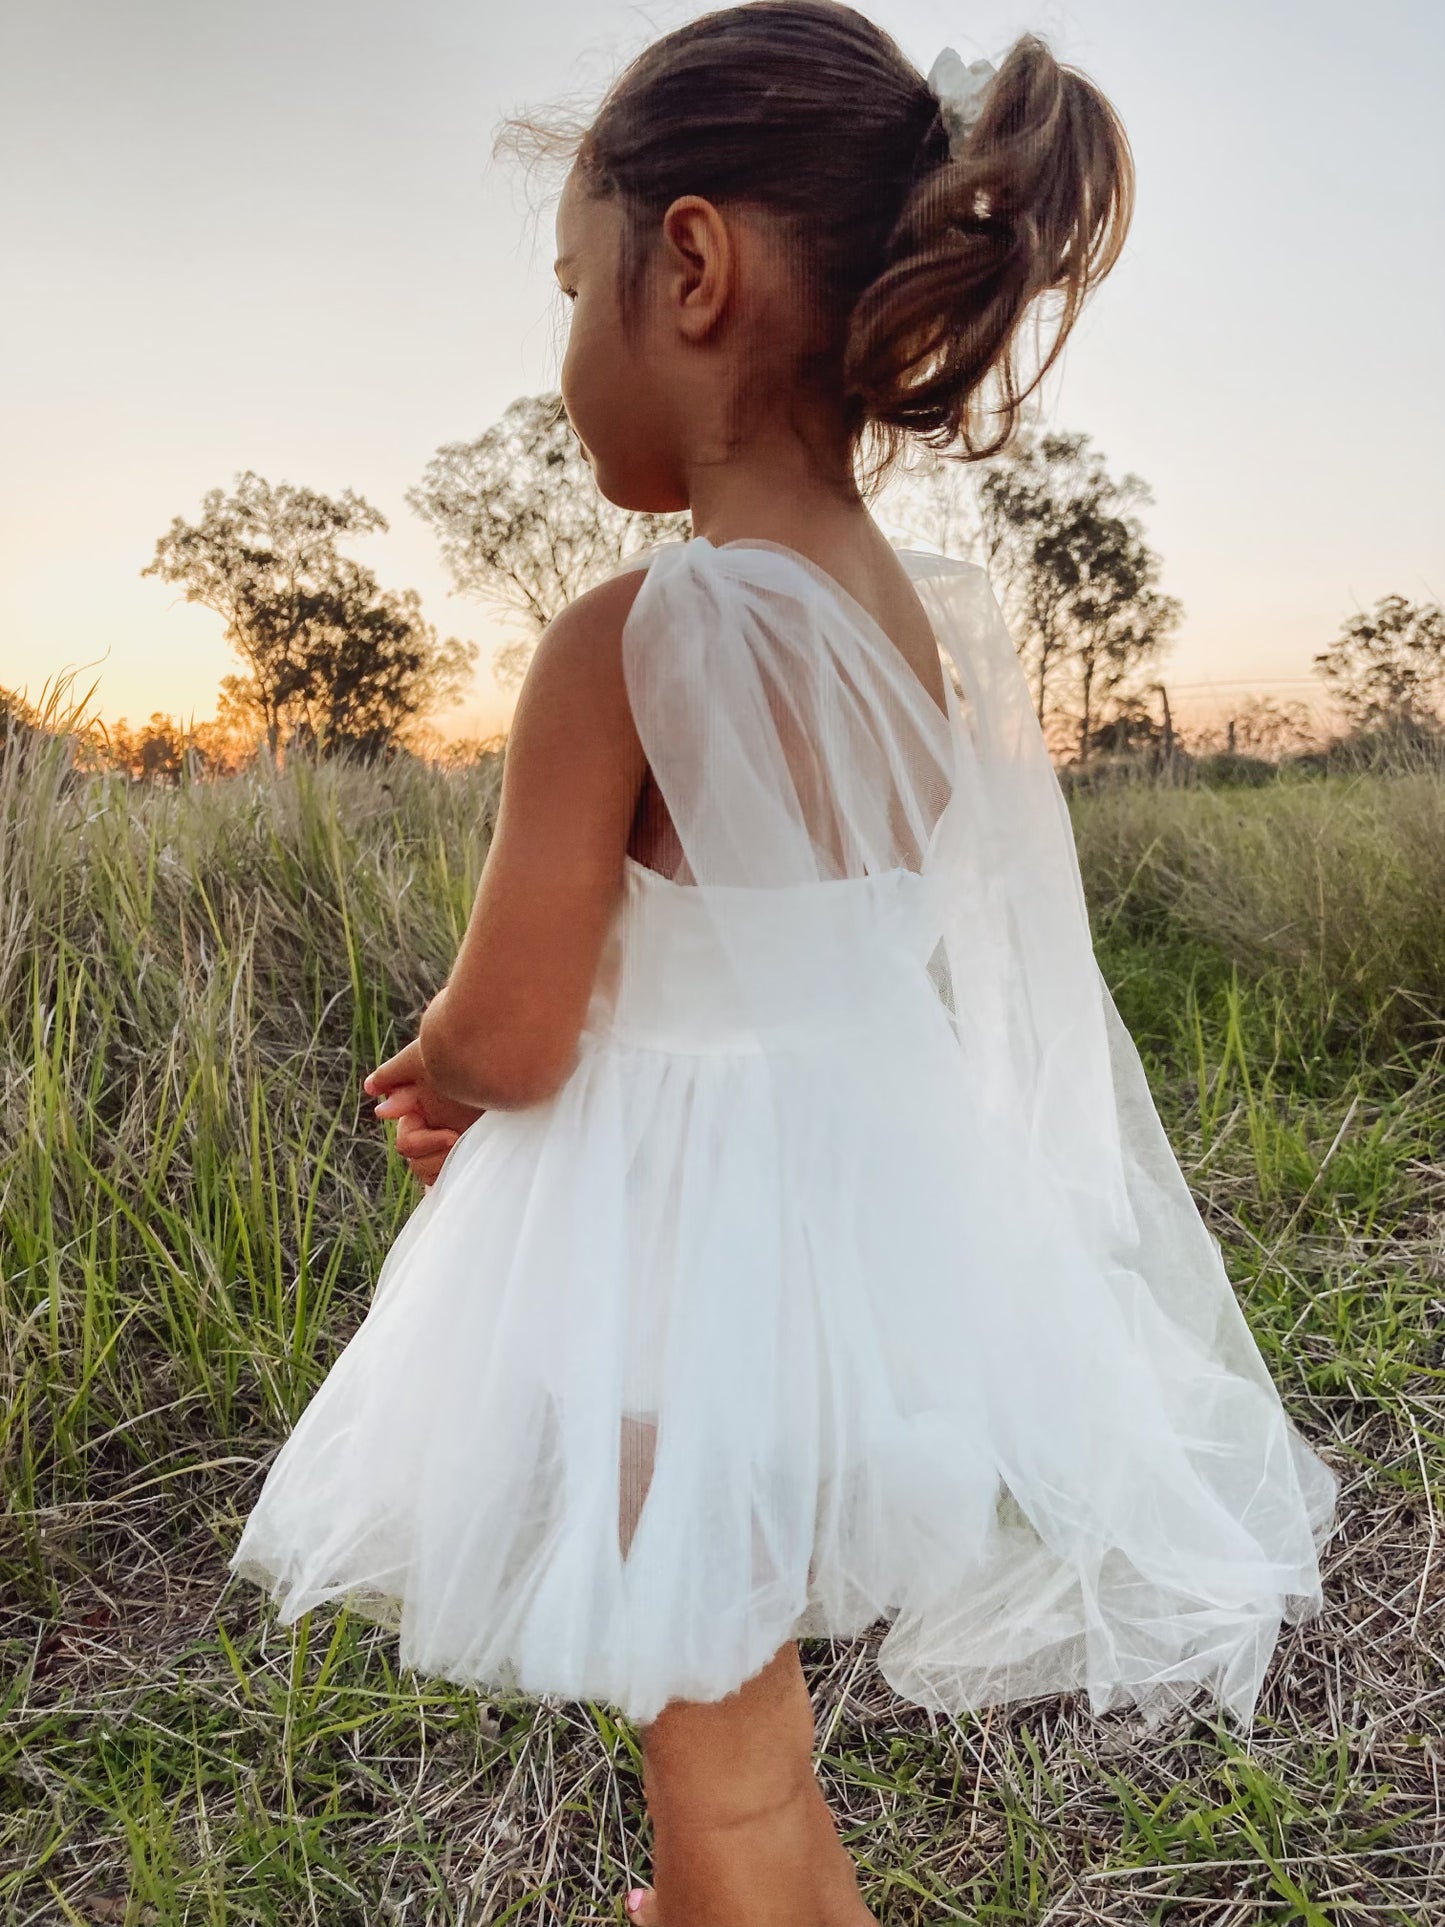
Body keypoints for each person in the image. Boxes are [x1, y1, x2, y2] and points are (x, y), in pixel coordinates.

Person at [226, 6, 1339, 1921]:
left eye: (571, 290)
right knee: (755, 1743)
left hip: (671, 1269)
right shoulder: (918, 624)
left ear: (689, 267)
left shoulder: (630, 638)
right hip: (862, 1257)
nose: (567, 351)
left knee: (713, 1756)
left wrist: (439, 1069)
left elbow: (515, 1023)